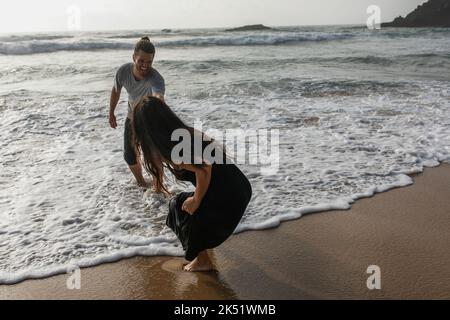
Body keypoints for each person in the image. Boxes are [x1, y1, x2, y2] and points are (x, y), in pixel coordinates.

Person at [132, 96, 252, 272]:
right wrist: (156, 188)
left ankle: (202, 260)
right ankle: (205, 245)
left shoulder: (173, 148)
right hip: (240, 188)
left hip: (230, 199)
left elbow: (204, 169)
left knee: (178, 206)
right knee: (188, 203)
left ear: (146, 128)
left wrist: (196, 200)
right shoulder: (184, 134)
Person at [109, 37, 165, 188]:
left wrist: (158, 101)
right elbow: (116, 91)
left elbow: (158, 95)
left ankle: (158, 188)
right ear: (134, 57)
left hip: (150, 120)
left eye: (149, 62)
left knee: (154, 156)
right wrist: (111, 113)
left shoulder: (156, 78)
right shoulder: (123, 72)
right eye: (141, 61)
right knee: (130, 156)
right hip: (131, 117)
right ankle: (141, 182)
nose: (145, 65)